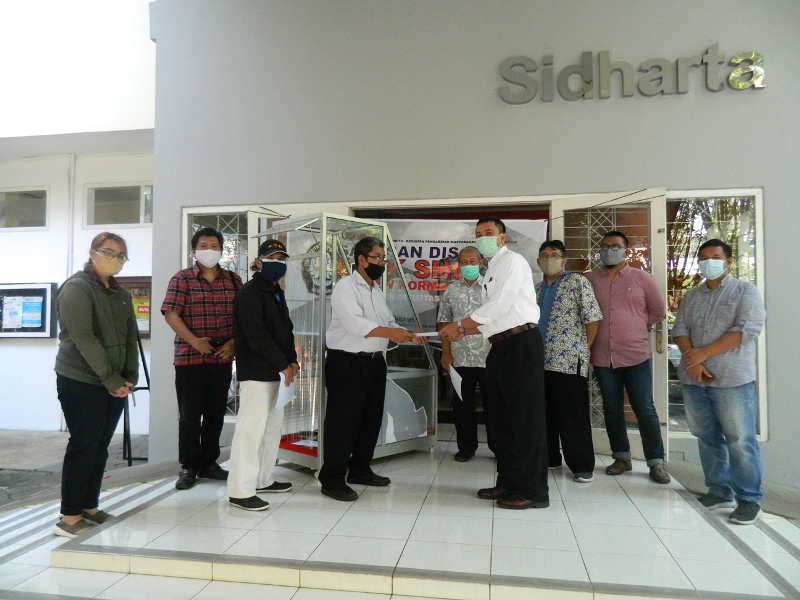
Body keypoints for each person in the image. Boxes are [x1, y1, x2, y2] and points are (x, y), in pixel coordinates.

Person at [440, 217, 549, 510]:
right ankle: (509, 482)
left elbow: (500, 306)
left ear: (502, 238)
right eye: (478, 234)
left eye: (488, 233)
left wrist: (460, 324)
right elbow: (494, 318)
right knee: (503, 421)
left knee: (524, 420)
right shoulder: (492, 269)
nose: (483, 238)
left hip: (521, 345)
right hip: (499, 346)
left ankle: (533, 490)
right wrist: (463, 331)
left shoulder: (513, 262)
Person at [319, 236, 421, 502]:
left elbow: (388, 322)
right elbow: (357, 325)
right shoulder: (345, 287)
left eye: (383, 258)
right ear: (361, 260)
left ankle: (360, 469)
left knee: (370, 419)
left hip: (375, 362)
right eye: (376, 257)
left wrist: (408, 334)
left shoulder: (376, 290)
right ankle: (332, 478)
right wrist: (392, 333)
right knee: (343, 422)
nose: (381, 263)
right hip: (348, 363)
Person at [672, 239, 766, 524]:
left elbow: (746, 330)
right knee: (706, 436)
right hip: (695, 379)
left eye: (714, 257)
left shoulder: (745, 292)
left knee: (740, 440)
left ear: (728, 262)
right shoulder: (692, 296)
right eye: (703, 257)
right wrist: (695, 361)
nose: (708, 262)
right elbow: (680, 330)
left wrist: (703, 354)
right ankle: (719, 490)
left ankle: (749, 498)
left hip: (732, 379)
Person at [52, 233, 139, 538]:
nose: (115, 259)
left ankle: (89, 505)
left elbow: (130, 337)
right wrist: (112, 380)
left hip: (113, 382)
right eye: (109, 252)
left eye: (121, 255)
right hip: (80, 379)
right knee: (83, 445)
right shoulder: (76, 288)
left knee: (100, 446)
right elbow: (84, 339)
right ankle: (69, 517)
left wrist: (129, 377)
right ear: (93, 253)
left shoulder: (120, 293)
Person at [585, 231, 671, 484]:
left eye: (615, 246)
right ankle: (621, 457)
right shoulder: (590, 280)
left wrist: (632, 326)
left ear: (626, 250)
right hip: (602, 357)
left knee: (644, 408)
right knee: (611, 408)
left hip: (635, 356)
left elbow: (657, 312)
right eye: (604, 246)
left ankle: (655, 462)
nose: (609, 250)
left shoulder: (642, 278)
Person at [161, 227, 242, 490]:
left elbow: (244, 317)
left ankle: (209, 462)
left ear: (222, 250)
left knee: (216, 413)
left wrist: (233, 343)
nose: (209, 250)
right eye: (204, 246)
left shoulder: (233, 280)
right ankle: (188, 467)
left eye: (214, 246)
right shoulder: (182, 279)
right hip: (189, 359)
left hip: (222, 359)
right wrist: (195, 341)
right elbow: (171, 314)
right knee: (190, 416)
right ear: (193, 251)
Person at [227, 239, 299, 511]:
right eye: (272, 258)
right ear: (258, 261)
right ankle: (240, 490)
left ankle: (263, 479)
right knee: (250, 430)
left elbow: (286, 330)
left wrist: (292, 361)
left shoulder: (275, 291)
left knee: (271, 428)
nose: (278, 263)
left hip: (278, 373)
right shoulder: (249, 293)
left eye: (281, 258)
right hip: (257, 372)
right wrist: (283, 363)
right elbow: (257, 335)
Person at [535, 240, 603, 482]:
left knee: (572, 415)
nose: (549, 259)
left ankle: (582, 466)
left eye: (554, 255)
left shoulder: (577, 282)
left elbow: (592, 318)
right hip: (539, 361)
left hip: (568, 360)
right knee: (544, 414)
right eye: (544, 255)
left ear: (563, 260)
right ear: (538, 261)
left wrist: (584, 348)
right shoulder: (536, 289)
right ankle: (550, 458)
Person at [437, 246, 493, 462]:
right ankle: (466, 447)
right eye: (464, 262)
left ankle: (498, 447)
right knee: (462, 404)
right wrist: (446, 354)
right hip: (459, 356)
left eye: (473, 261)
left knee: (494, 405)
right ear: (458, 266)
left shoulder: (491, 288)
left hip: (489, 356)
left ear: (481, 263)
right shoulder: (451, 290)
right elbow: (443, 323)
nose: (468, 265)